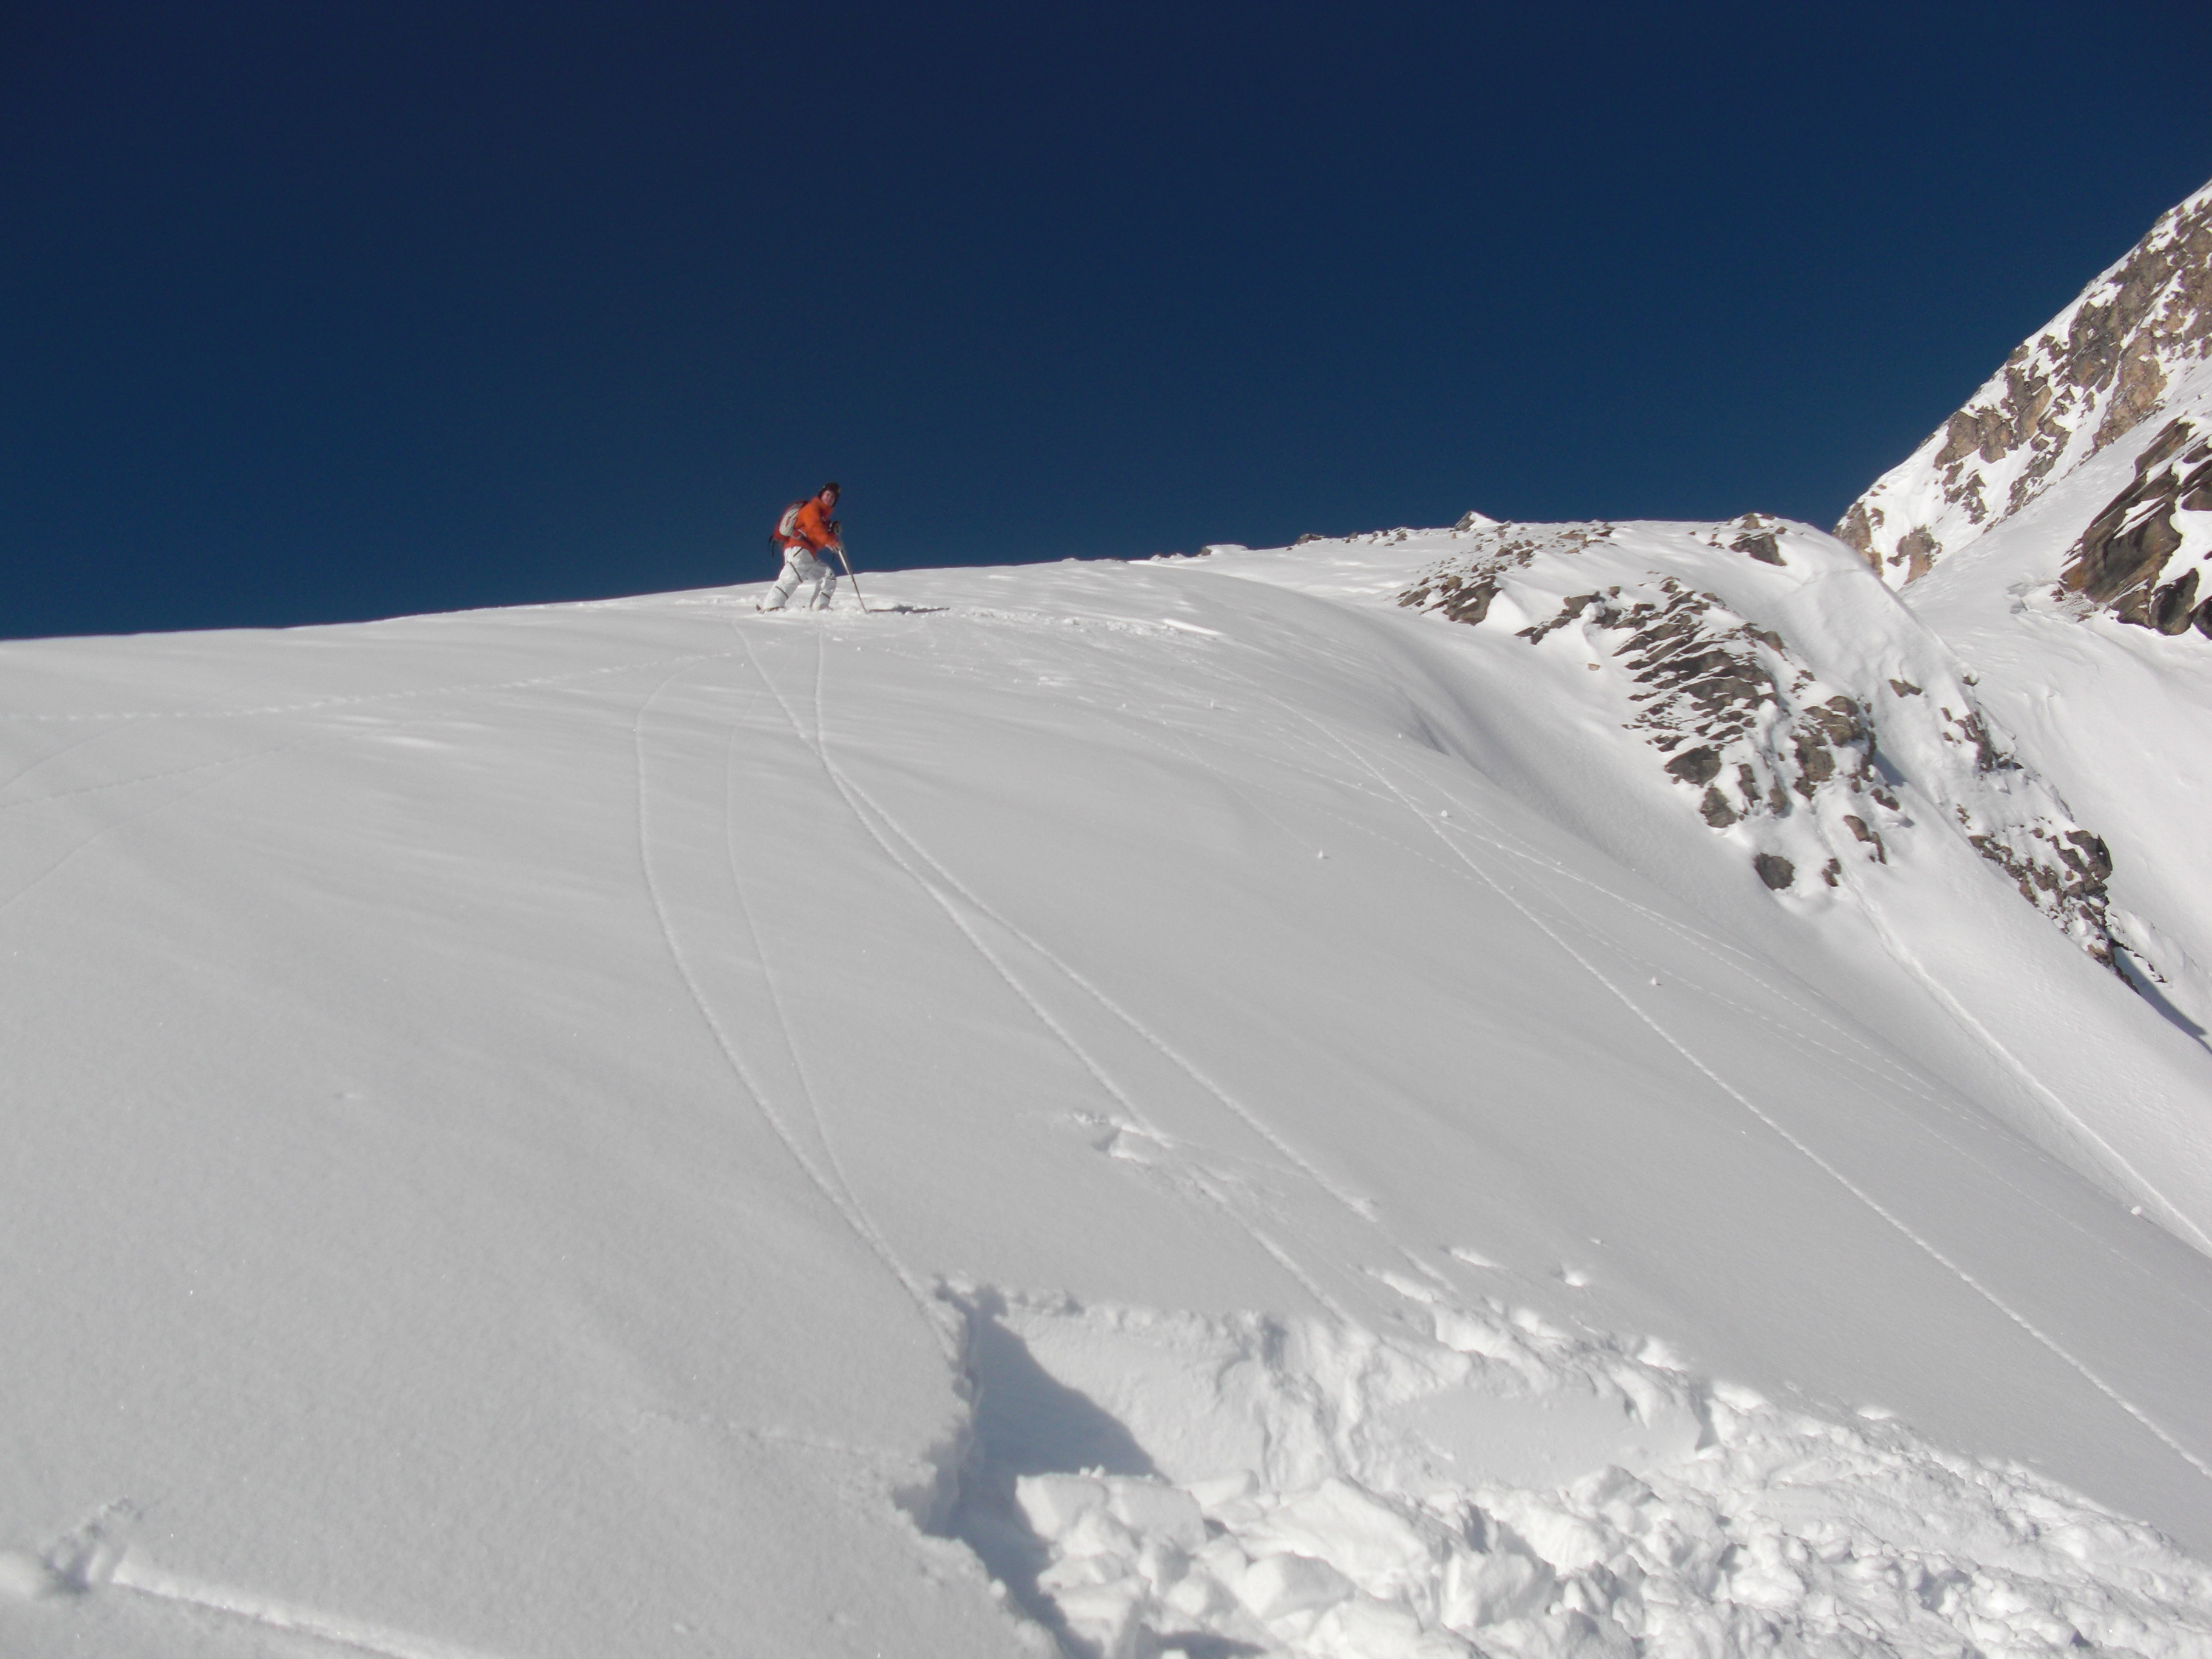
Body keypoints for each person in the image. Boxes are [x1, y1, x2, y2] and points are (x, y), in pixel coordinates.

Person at [761, 482, 844, 612]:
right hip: (798, 548)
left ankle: (820, 607)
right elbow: (815, 527)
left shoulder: (824, 520)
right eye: (828, 495)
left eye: (833, 498)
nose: (829, 499)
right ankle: (772, 606)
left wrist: (832, 533)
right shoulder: (812, 508)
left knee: (828, 577)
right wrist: (830, 541)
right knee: (792, 576)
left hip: (808, 553)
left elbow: (819, 542)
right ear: (821, 495)